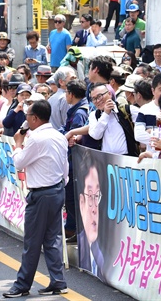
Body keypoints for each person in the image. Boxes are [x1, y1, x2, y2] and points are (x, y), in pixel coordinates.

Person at [3, 100, 69, 298]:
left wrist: (17, 144)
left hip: (42, 193)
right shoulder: (59, 136)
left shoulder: (36, 139)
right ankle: (58, 281)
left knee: (32, 241)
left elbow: (19, 162)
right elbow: (65, 167)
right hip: (57, 189)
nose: (25, 119)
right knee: (52, 238)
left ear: (35, 118)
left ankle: (22, 285)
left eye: (27, 116)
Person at [59, 79, 89, 238]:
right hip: (72, 162)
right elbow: (65, 130)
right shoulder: (77, 109)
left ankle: (73, 229)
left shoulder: (79, 113)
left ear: (71, 94)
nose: (65, 95)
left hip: (75, 163)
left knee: (71, 198)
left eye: (66, 92)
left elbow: (74, 137)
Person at [88, 83, 139, 157]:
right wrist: (105, 114)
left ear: (109, 94)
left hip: (128, 158)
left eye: (99, 96)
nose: (98, 101)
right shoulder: (94, 115)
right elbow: (96, 135)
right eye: (94, 99)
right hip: (107, 160)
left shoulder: (127, 110)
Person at [77, 161, 105, 281]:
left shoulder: (107, 252)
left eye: (97, 196)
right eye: (90, 196)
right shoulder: (82, 243)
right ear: (81, 203)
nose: (94, 209)